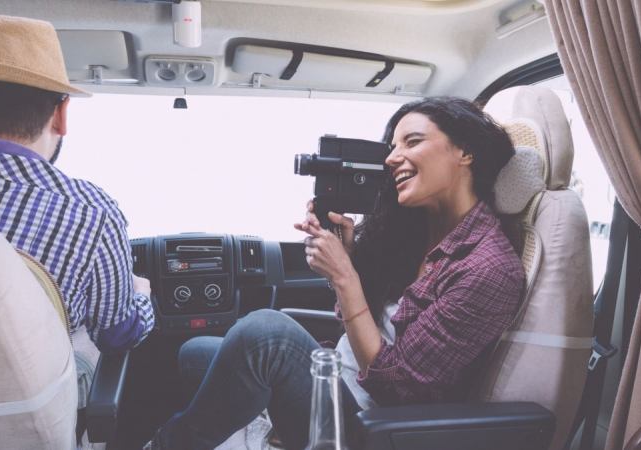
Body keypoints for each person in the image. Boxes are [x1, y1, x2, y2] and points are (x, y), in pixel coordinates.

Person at [145, 97, 526, 450]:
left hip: (371, 426)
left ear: (465, 152)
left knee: (265, 334)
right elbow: (371, 323)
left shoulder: (489, 268)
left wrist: (346, 279)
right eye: (392, 147)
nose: (392, 158)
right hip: (342, 380)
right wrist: (348, 261)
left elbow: (397, 390)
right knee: (196, 353)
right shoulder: (419, 230)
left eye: (412, 142)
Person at [0, 9, 155, 426]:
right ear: (61, 115)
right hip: (18, 422)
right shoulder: (90, 213)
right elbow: (118, 335)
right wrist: (141, 294)